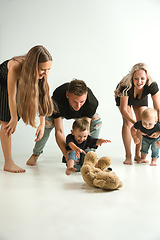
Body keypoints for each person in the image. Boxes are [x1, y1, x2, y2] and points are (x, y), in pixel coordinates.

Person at [0, 45, 54, 173]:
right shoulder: (15, 67)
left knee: (9, 118)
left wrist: (42, 123)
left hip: (16, 84)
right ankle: (8, 163)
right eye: (42, 69)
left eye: (49, 69)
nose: (46, 73)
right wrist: (13, 118)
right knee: (6, 121)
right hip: (2, 82)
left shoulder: (41, 73)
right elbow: (11, 95)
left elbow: (42, 95)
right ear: (33, 66)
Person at [26, 79, 102, 166]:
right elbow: (59, 131)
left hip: (81, 115)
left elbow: (85, 129)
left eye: (82, 102)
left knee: (96, 121)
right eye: (74, 101)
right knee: (47, 123)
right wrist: (66, 153)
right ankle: (36, 153)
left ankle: (90, 155)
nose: (78, 106)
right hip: (60, 110)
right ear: (67, 95)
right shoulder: (58, 98)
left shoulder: (92, 102)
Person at [114, 63, 160, 165]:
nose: (139, 82)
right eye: (136, 78)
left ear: (147, 78)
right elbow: (123, 110)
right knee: (128, 123)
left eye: (142, 78)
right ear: (132, 77)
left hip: (140, 97)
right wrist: (136, 123)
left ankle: (138, 155)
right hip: (125, 97)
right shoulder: (125, 85)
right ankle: (128, 156)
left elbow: (158, 108)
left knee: (144, 120)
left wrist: (159, 128)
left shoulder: (152, 85)